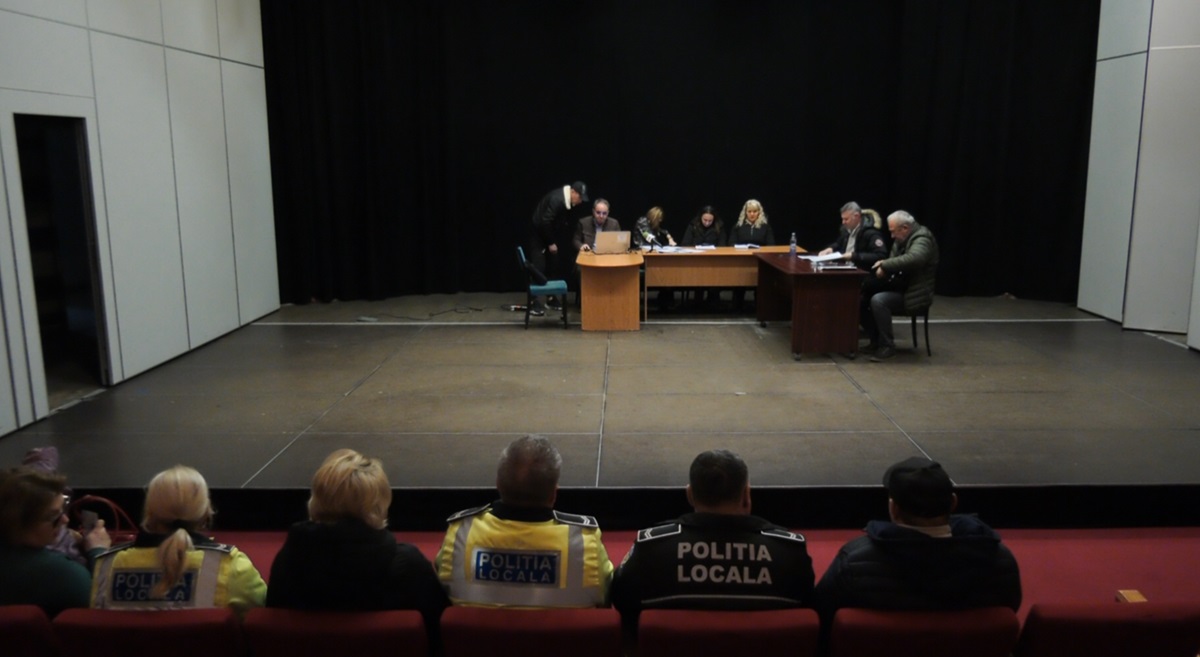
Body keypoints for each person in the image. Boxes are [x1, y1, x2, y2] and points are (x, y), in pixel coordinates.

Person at [610, 450, 814, 636]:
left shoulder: (652, 550)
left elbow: (621, 599)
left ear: (690, 495)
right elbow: (809, 607)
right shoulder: (789, 554)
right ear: (746, 495)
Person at [813, 457, 1021, 633]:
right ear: (953, 502)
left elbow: (821, 618)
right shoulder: (1001, 562)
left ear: (893, 508)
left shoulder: (853, 562)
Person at [267, 449, 449, 625]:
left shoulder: (288, 562)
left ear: (315, 502)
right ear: (379, 506)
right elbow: (441, 627)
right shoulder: (409, 566)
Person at [435, 435, 614, 608]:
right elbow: (607, 597)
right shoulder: (584, 542)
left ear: (498, 485)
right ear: (553, 494)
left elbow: (440, 596)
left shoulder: (460, 533)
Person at [91, 465, 266, 615]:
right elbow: (262, 616)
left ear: (149, 513)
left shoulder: (104, 568)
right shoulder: (232, 566)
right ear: (206, 513)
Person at [0, 467, 111, 617]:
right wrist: (99, 552)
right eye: (53, 517)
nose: (65, 520)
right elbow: (105, 605)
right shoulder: (64, 575)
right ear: (17, 523)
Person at [860, 210, 939, 361]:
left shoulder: (923, 238)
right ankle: (875, 341)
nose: (891, 236)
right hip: (900, 287)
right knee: (862, 298)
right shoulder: (901, 239)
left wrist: (885, 265)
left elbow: (915, 258)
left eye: (893, 231)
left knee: (879, 300)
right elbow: (894, 263)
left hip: (915, 294)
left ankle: (887, 346)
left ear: (905, 228)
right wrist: (884, 272)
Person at [529, 181, 588, 315]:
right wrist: (550, 242)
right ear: (573, 192)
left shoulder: (566, 201)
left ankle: (550, 297)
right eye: (580, 197)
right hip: (538, 234)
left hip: (549, 233)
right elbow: (544, 221)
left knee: (553, 264)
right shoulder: (557, 200)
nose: (580, 201)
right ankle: (533, 301)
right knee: (538, 266)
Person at [729, 199, 775, 311]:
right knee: (739, 281)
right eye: (749, 211)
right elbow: (731, 243)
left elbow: (771, 245)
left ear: (759, 212)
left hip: (760, 261)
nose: (752, 214)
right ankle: (737, 308)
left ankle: (760, 308)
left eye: (755, 211)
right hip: (741, 260)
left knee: (760, 281)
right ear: (745, 212)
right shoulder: (738, 226)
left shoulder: (765, 227)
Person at [818, 201, 888, 271]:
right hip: (845, 268)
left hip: (862, 272)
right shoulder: (846, 230)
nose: (843, 222)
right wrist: (831, 248)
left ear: (856, 216)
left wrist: (854, 256)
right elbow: (839, 243)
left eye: (846, 219)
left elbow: (880, 255)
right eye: (842, 219)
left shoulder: (871, 233)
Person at [680, 205, 725, 308]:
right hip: (695, 261)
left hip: (713, 261)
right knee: (698, 273)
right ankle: (697, 300)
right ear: (700, 217)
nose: (707, 223)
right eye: (705, 220)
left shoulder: (719, 226)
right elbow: (685, 243)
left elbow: (722, 246)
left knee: (715, 274)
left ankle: (713, 301)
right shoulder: (693, 225)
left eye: (710, 221)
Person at [635, 206, 678, 310]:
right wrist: (661, 246)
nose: (660, 221)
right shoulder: (642, 222)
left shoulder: (653, 225)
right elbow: (649, 237)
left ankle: (666, 300)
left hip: (653, 252)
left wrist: (669, 237)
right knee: (662, 269)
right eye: (659, 219)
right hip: (642, 253)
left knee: (668, 269)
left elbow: (662, 230)